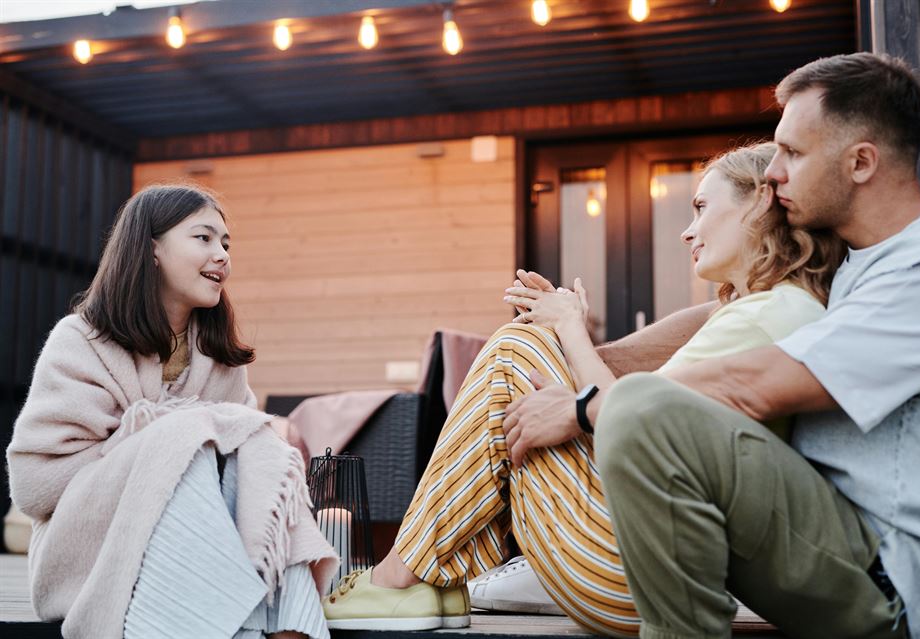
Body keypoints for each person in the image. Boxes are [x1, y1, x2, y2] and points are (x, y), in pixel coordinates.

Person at [320, 142, 846, 635]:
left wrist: (570, 327)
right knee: (524, 348)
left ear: (757, 206)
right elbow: (627, 404)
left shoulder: (768, 315)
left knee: (511, 351)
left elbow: (632, 424)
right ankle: (434, 581)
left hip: (635, 570)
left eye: (701, 207)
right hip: (648, 557)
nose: (688, 231)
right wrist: (560, 340)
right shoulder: (764, 309)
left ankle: (402, 577)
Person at [591, 53, 920, 639]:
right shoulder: (861, 260)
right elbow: (731, 305)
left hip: (898, 585)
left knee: (640, 411)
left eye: (793, 153)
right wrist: (603, 352)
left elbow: (753, 386)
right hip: (832, 539)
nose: (772, 174)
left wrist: (586, 401)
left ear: (861, 161)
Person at [6, 185, 339, 639]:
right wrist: (151, 441)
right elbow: (33, 486)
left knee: (260, 447)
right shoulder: (81, 341)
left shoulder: (216, 355)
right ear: (152, 249)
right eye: (203, 238)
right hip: (90, 552)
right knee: (185, 437)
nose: (221, 255)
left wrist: (187, 434)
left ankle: (289, 628)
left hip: (206, 550)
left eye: (225, 243)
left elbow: (240, 472)